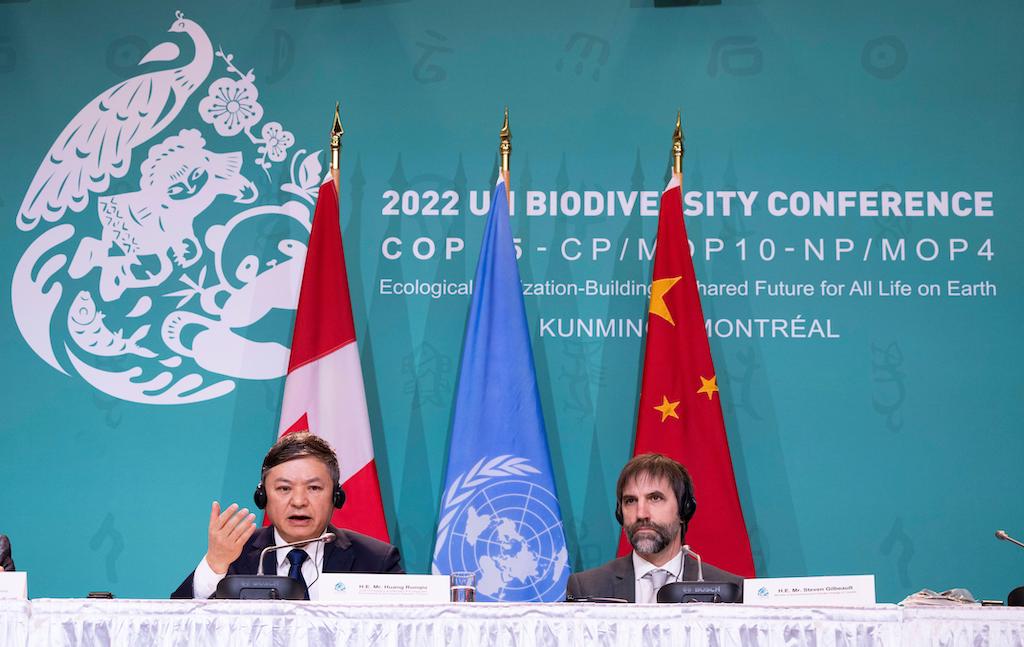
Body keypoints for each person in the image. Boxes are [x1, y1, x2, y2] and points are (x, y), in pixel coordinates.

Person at [172, 432, 403, 599]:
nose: (299, 501)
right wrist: (215, 563)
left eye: (314, 488)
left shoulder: (376, 560)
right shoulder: (236, 556)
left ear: (336, 496)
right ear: (262, 497)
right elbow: (177, 625)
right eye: (284, 488)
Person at [565, 453, 743, 603]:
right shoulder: (587, 588)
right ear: (620, 512)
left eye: (655, 498)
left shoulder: (732, 591)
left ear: (683, 509)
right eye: (630, 501)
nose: (641, 513)